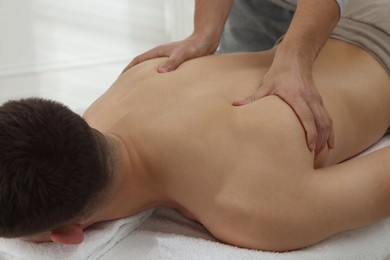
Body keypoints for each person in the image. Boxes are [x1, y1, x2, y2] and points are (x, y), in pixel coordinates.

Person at [0, 0, 389, 252]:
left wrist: (291, 57)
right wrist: (205, 34)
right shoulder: (135, 80)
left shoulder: (250, 209)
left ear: (67, 234)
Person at [123, 0, 349, 157]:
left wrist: (296, 57)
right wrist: (204, 34)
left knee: (287, 109)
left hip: (358, 16)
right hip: (256, 7)